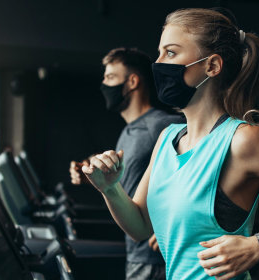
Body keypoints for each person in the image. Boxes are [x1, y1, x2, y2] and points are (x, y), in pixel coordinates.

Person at [82, 8, 259, 280]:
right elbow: (140, 227)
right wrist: (110, 188)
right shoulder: (166, 139)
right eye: (160, 53)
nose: (159, 63)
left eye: (171, 52)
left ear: (211, 66)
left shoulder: (243, 141)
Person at [69, 47, 183, 280]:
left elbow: (199, 175)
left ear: (132, 81)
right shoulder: (128, 132)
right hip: (135, 251)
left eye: (110, 78)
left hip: (155, 260)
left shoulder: (164, 126)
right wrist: (90, 173)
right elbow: (126, 182)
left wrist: (172, 227)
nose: (104, 85)